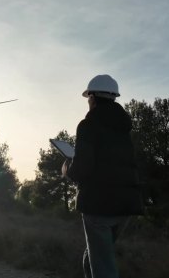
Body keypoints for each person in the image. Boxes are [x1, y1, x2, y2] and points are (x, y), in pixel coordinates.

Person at [62, 74, 143, 278]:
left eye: (88, 98)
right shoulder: (124, 130)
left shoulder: (87, 126)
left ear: (93, 98)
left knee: (103, 265)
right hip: (126, 206)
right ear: (113, 97)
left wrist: (67, 170)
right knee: (96, 255)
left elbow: (83, 167)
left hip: (99, 205)